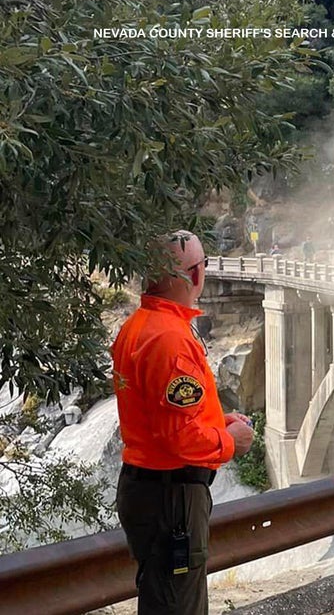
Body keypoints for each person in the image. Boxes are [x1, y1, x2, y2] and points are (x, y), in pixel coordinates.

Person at [111, 230, 255, 614]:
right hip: (171, 499)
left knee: (162, 597)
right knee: (178, 606)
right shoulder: (171, 339)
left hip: (148, 489)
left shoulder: (137, 327)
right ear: (193, 275)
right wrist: (231, 442)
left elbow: (162, 411)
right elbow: (181, 437)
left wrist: (218, 420)